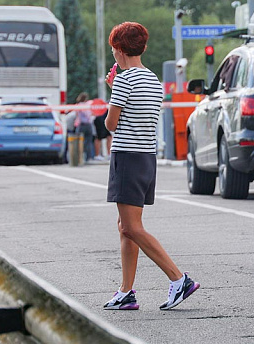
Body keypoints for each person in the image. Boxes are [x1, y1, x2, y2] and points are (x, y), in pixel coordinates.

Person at [102, 22, 199, 311]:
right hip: (146, 158)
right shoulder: (153, 80)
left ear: (119, 50)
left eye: (113, 50)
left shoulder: (124, 81)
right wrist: (115, 87)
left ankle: (178, 278)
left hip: (127, 157)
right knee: (125, 227)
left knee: (131, 227)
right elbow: (138, 114)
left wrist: (114, 89)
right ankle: (126, 292)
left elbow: (111, 124)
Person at [75, 93, 95, 163]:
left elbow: (77, 115)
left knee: (79, 141)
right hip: (88, 125)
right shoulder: (88, 105)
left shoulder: (78, 105)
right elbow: (90, 114)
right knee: (89, 142)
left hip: (81, 125)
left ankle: (79, 157)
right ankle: (89, 157)